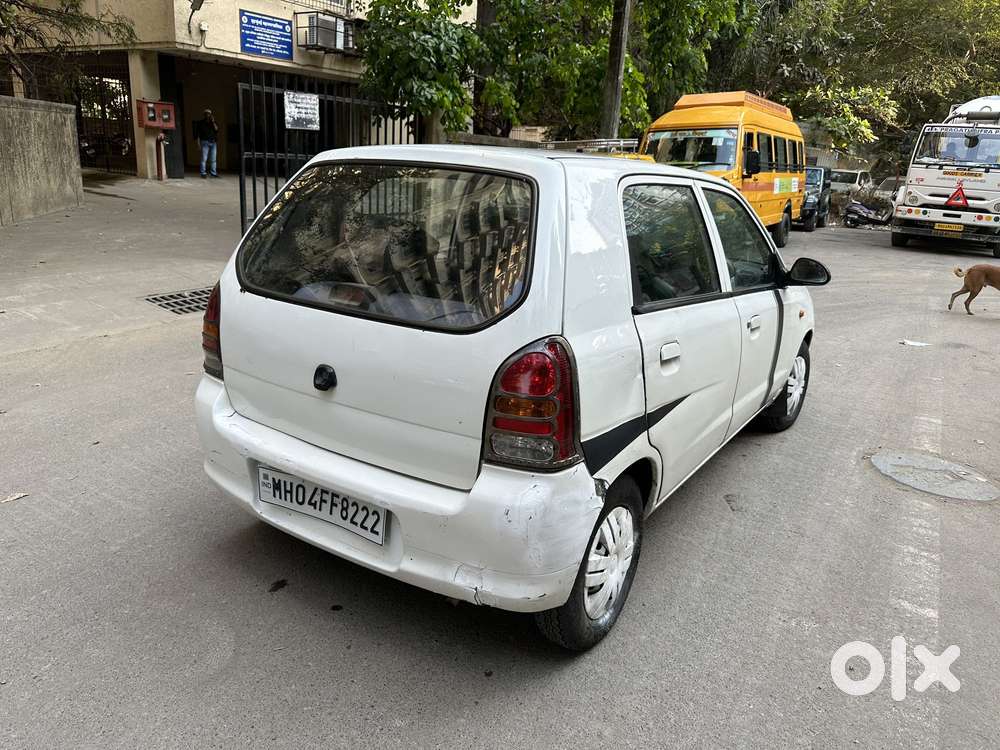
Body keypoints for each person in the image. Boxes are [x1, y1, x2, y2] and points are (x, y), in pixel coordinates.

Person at [194, 109, 219, 178]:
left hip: (213, 142)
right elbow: (198, 135)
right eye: (206, 114)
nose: (208, 115)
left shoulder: (213, 123)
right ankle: (203, 173)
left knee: (213, 159)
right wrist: (198, 144)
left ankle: (213, 173)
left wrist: (213, 122)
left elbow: (216, 130)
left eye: (209, 114)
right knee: (204, 159)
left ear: (211, 115)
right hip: (204, 142)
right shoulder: (200, 123)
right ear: (204, 115)